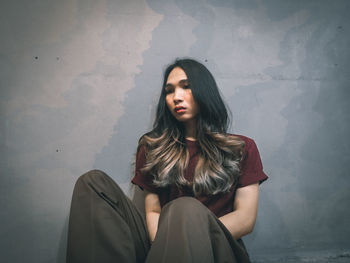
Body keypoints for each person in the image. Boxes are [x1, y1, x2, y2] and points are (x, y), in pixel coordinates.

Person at [66, 58, 268, 263]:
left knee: (184, 208)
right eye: (169, 91)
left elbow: (245, 219)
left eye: (186, 87)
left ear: (204, 91)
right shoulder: (154, 147)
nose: (176, 97)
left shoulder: (241, 147)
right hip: (161, 246)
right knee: (92, 182)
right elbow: (153, 211)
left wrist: (189, 231)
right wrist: (167, 242)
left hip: (219, 250)